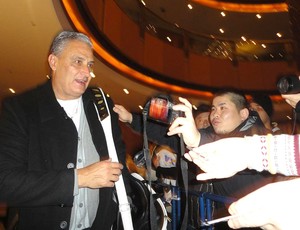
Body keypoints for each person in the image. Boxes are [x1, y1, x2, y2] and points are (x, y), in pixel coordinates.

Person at [0, 31, 130, 230]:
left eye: (89, 64)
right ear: (53, 61)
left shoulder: (100, 106)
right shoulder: (21, 110)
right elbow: (6, 183)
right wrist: (80, 178)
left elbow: (120, 163)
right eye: (78, 61)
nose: (86, 72)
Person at [183, 92, 300, 229]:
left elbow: (235, 149)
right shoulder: (216, 135)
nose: (215, 113)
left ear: (243, 114)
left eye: (223, 108)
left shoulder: (260, 135)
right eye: (213, 109)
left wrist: (198, 139)